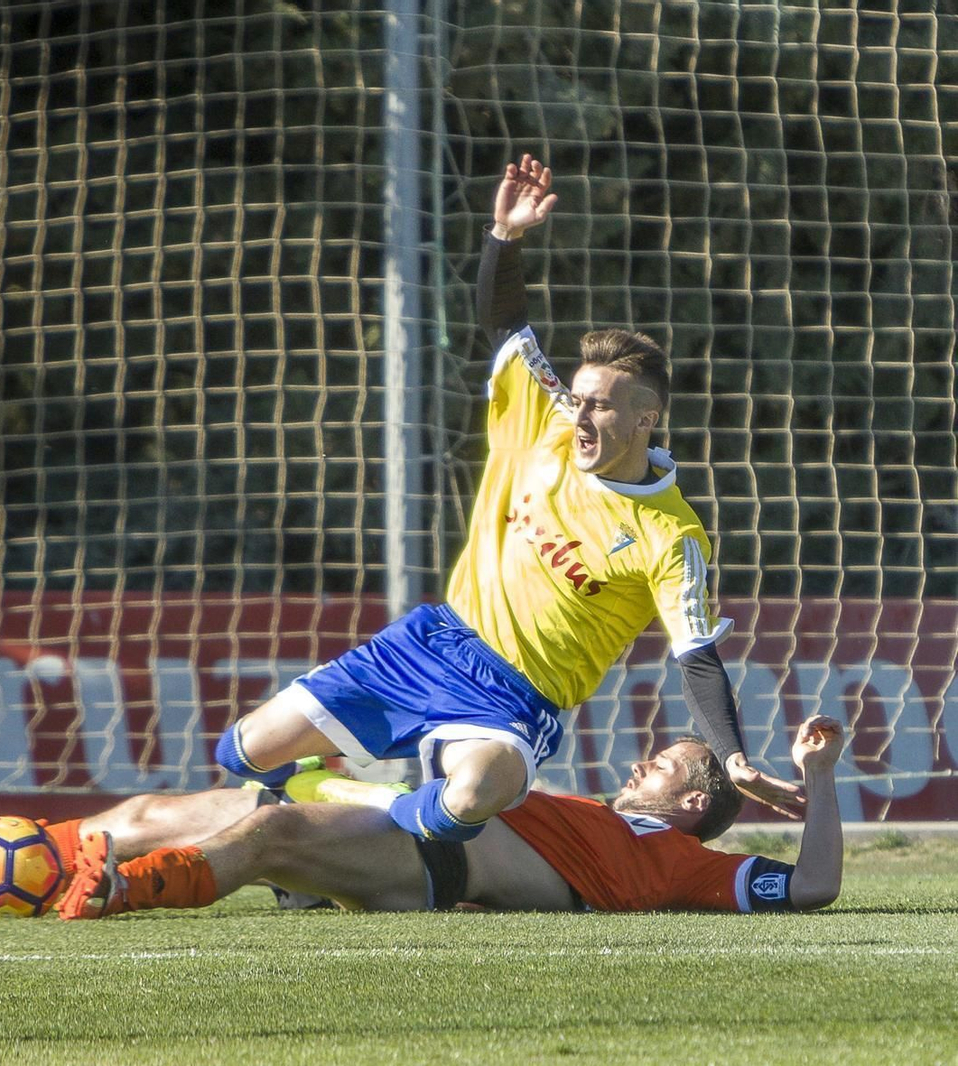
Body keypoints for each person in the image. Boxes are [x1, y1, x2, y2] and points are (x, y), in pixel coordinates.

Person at [208, 154, 804, 847]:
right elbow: (506, 325)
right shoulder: (544, 422)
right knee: (242, 753)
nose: (581, 418)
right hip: (433, 641)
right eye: (578, 400)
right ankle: (344, 804)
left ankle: (359, 820)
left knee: (464, 804)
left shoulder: (670, 535)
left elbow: (696, 655)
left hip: (515, 698)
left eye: (602, 408)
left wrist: (731, 757)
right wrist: (504, 237)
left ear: (646, 419)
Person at [0, 716, 843, 920]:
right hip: (414, 825)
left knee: (269, 835)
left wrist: (815, 778)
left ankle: (117, 893)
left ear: (689, 804)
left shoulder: (686, 865)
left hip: (439, 867)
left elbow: (815, 885)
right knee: (159, 805)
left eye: (665, 762)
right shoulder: (589, 806)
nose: (643, 758)